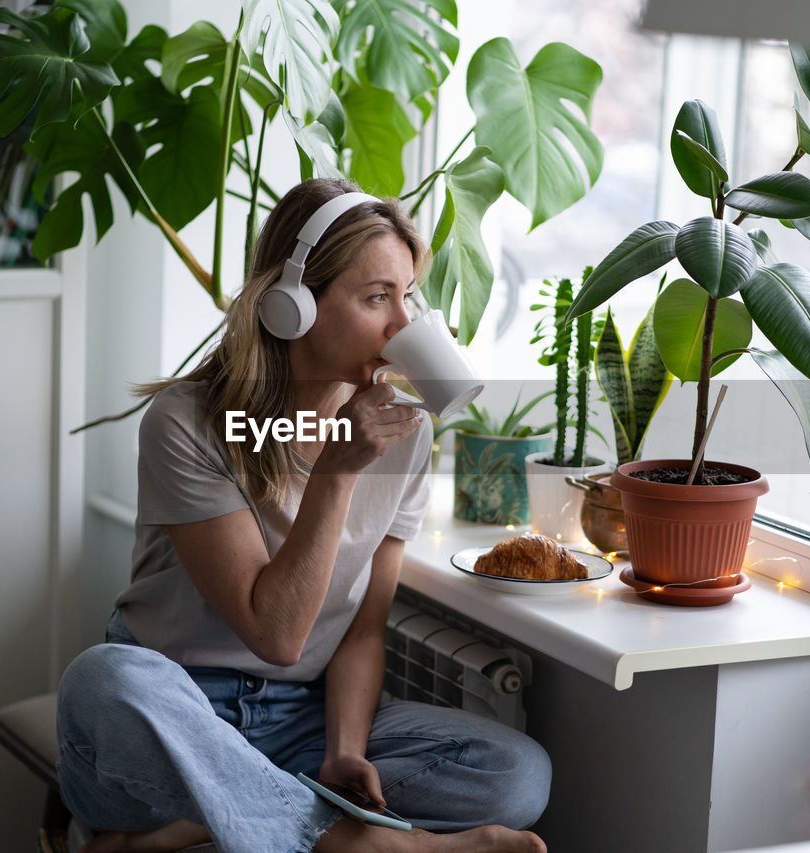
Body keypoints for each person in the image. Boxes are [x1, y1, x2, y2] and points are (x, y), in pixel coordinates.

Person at [55, 178, 552, 853]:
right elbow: (277, 633)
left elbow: (361, 631)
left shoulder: (406, 434)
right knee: (103, 679)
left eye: (407, 295)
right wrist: (339, 470)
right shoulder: (190, 423)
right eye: (377, 297)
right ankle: (362, 844)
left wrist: (344, 750)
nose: (402, 322)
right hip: (172, 707)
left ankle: (206, 818)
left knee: (518, 772)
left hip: (298, 717)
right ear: (291, 305)